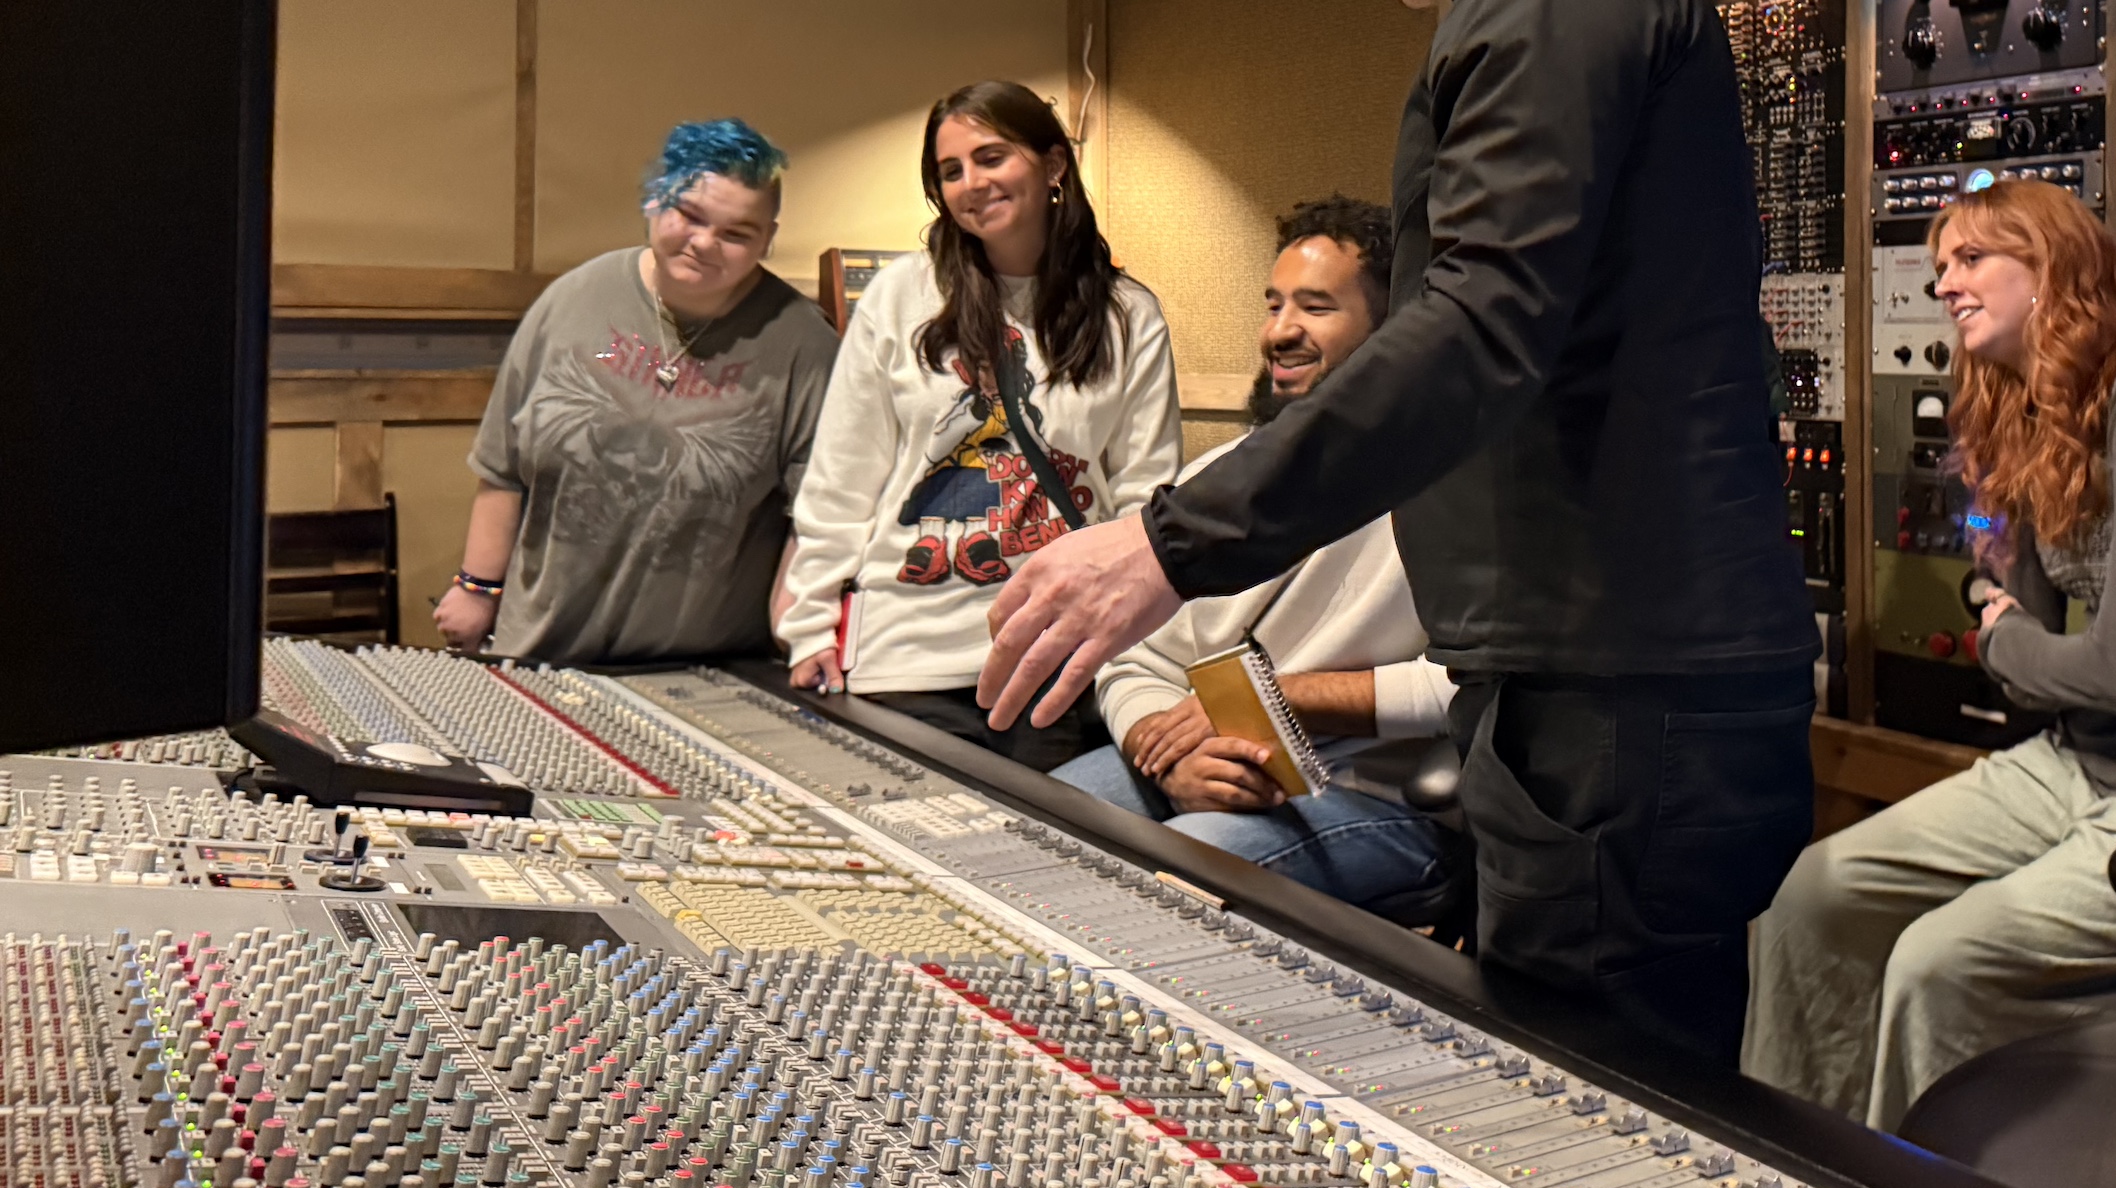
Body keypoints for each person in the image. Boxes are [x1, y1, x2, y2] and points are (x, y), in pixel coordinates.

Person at [969, 0, 1819, 1059]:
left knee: (1604, 1117)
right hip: (1599, 680)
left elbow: (1482, 326)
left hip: (1620, 695)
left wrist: (1169, 545)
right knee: (1572, 1087)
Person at [1741, 179, 2116, 1131]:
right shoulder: (2033, 411)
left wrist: (2013, 638)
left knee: (1942, 963)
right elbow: (2013, 618)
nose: (1946, 284)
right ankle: (1792, 1166)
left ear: (2051, 267)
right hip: (2089, 762)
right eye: (1940, 267)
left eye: (1973, 259)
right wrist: (2015, 630)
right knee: (1812, 901)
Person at [1054, 197, 1460, 918]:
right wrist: (1166, 749)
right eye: (1273, 305)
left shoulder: (1458, 493)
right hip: (1211, 771)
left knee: (1157, 890)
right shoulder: (1238, 474)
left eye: (1315, 307)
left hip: (1379, 801)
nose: (1279, 332)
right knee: (1026, 834)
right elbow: (1134, 656)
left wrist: (1281, 697)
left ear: (1396, 329)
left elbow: (1474, 690)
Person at [777, 81, 1179, 770]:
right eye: (950, 171)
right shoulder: (900, 298)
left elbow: (1146, 495)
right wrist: (809, 623)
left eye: (991, 157)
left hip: (1055, 658)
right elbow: (842, 480)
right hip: (906, 661)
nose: (971, 184)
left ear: (1053, 166)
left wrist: (1136, 645)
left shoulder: (1127, 314)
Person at [438, 119, 837, 663]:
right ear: (654, 202)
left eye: (736, 233)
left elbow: (816, 516)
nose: (704, 243)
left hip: (703, 669)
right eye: (689, 215)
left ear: (767, 238)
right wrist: (476, 587)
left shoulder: (803, 345)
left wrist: (801, 634)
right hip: (536, 647)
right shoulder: (573, 300)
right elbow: (504, 467)